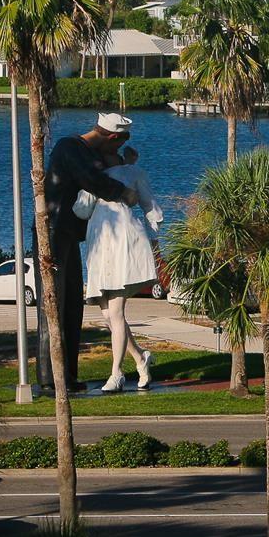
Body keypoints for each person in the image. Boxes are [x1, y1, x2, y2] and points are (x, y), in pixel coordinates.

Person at [41, 112, 137, 393]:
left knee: (72, 304)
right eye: (116, 146)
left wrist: (125, 163)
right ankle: (51, 378)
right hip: (53, 233)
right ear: (111, 137)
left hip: (68, 234)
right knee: (54, 304)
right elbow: (92, 180)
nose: (115, 153)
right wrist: (124, 192)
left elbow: (102, 170)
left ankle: (67, 375)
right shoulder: (69, 148)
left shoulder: (86, 151)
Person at [76, 145, 159, 391]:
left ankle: (116, 373)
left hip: (124, 247)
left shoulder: (129, 174)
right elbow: (81, 210)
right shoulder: (98, 181)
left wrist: (155, 235)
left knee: (116, 314)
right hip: (102, 250)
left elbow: (149, 204)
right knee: (109, 317)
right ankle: (140, 358)